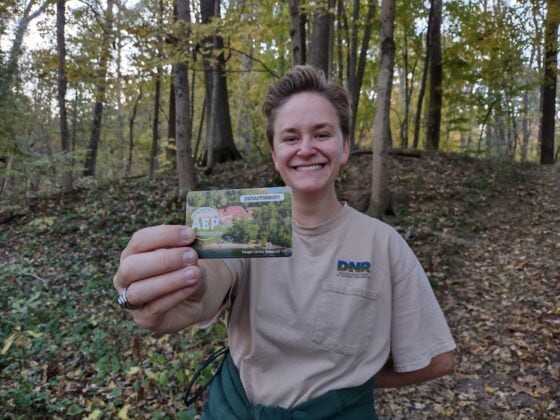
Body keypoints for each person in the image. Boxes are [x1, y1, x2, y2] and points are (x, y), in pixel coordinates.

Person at [113, 65, 456, 418]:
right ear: (275, 155)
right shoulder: (246, 220)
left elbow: (438, 359)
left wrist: (352, 381)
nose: (306, 148)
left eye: (322, 134)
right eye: (290, 138)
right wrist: (185, 284)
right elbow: (211, 278)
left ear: (345, 147)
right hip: (233, 410)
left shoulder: (381, 243)